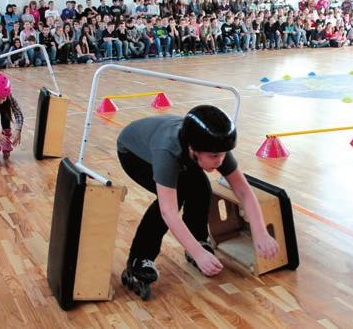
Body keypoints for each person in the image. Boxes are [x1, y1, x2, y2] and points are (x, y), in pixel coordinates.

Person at [117, 105, 279, 299]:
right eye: (214, 156)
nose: (220, 161)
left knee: (201, 188)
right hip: (134, 153)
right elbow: (168, 211)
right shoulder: (167, 151)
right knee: (173, 199)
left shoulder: (215, 147)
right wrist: (199, 255)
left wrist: (260, 232)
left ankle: (199, 239)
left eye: (223, 154)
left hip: (176, 149)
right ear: (193, 149)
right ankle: (139, 259)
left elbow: (243, 190)